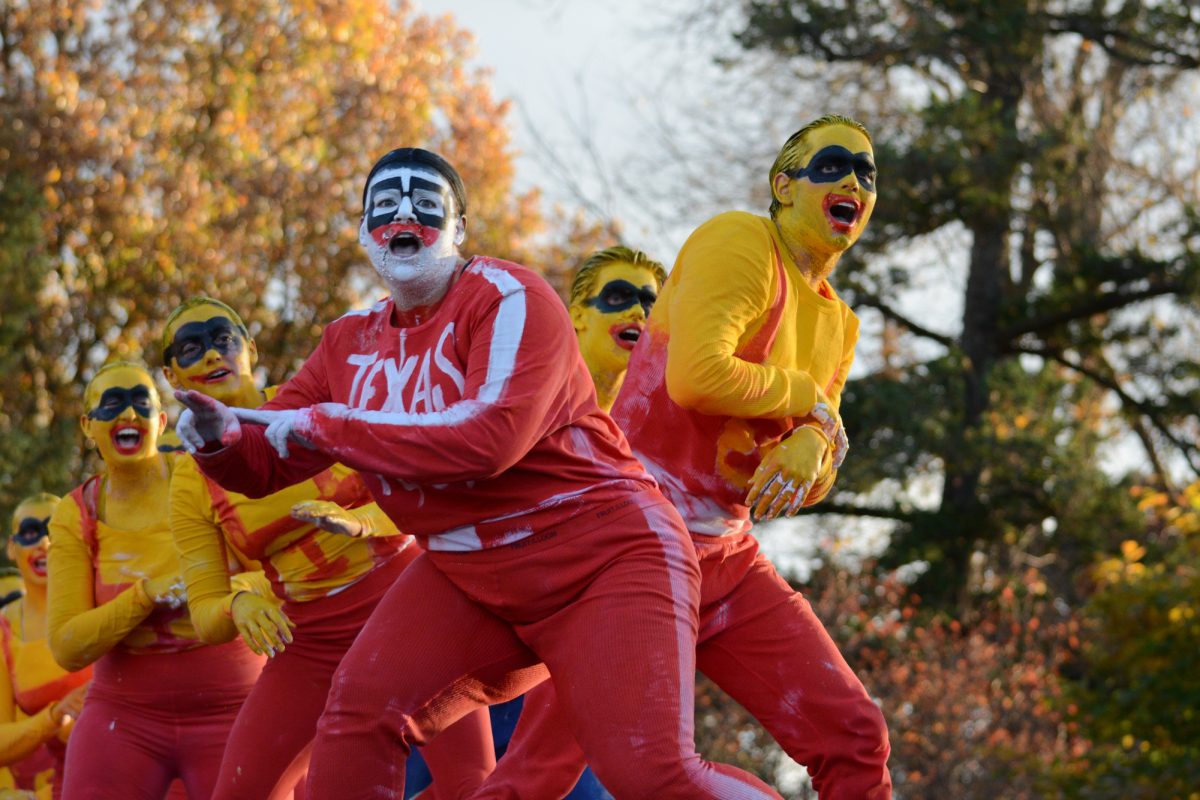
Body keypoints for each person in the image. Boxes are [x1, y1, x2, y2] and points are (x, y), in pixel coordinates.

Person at [174, 147, 784, 799]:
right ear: (360, 231)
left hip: (604, 556)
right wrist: (220, 440)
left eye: (425, 203)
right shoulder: (346, 342)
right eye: (384, 204)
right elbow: (270, 461)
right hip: (472, 572)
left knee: (647, 771)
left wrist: (330, 424)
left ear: (460, 228)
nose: (403, 215)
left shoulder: (512, 297)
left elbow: (487, 440)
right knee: (360, 714)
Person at [608, 114, 892, 798]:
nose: (854, 179)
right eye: (832, 165)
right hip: (628, 541)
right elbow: (698, 376)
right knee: (575, 770)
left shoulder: (838, 322)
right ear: (784, 186)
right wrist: (804, 403)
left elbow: (814, 460)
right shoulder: (741, 240)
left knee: (855, 736)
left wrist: (810, 444)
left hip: (725, 560)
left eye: (867, 173)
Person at [162, 295, 496, 800]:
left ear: (250, 349)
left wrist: (360, 521)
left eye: (223, 339)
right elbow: (205, 610)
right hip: (309, 639)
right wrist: (238, 600)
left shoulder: (318, 399)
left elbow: (427, 491)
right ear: (171, 376)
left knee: (470, 786)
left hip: (412, 608)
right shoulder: (189, 481)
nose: (212, 355)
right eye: (192, 348)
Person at [47, 362, 267, 799]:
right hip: (124, 715)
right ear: (88, 425)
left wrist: (222, 593)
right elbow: (68, 647)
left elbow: (274, 576)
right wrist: (146, 596)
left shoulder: (208, 475)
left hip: (235, 706)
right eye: (112, 405)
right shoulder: (76, 513)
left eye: (139, 403)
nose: (128, 415)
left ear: (160, 421)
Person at [0, 494, 91, 799]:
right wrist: (54, 716)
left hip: (141, 766)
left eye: (54, 529)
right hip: (64, 786)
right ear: (11, 548)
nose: (44, 543)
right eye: (30, 532)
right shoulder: (4, 632)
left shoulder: (101, 597)